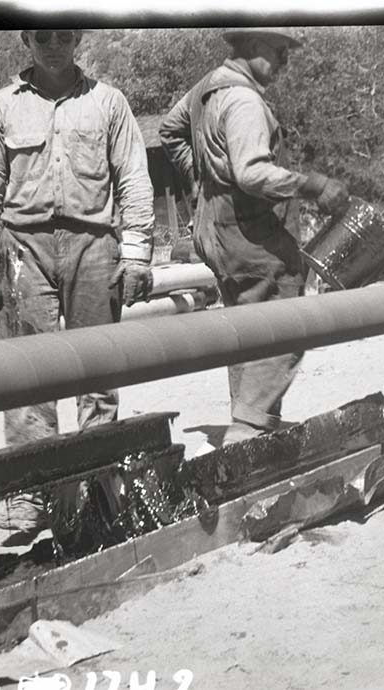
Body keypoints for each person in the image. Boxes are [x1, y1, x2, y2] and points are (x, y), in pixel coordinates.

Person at [0, 29, 156, 535]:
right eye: (42, 36)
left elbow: (133, 176)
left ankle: (99, 490)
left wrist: (135, 255)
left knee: (98, 372)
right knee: (27, 375)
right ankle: (33, 496)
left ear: (78, 38)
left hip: (95, 246)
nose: (52, 45)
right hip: (23, 248)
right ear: (27, 40)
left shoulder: (108, 102)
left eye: (62, 35)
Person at [160, 27, 350, 446]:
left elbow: (170, 130)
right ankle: (247, 429)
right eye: (280, 51)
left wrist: (200, 182)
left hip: (216, 228)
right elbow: (250, 172)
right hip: (249, 230)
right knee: (287, 319)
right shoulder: (244, 100)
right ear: (250, 46)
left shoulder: (209, 87)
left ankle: (250, 422)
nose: (286, 61)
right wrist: (314, 185)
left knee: (246, 324)